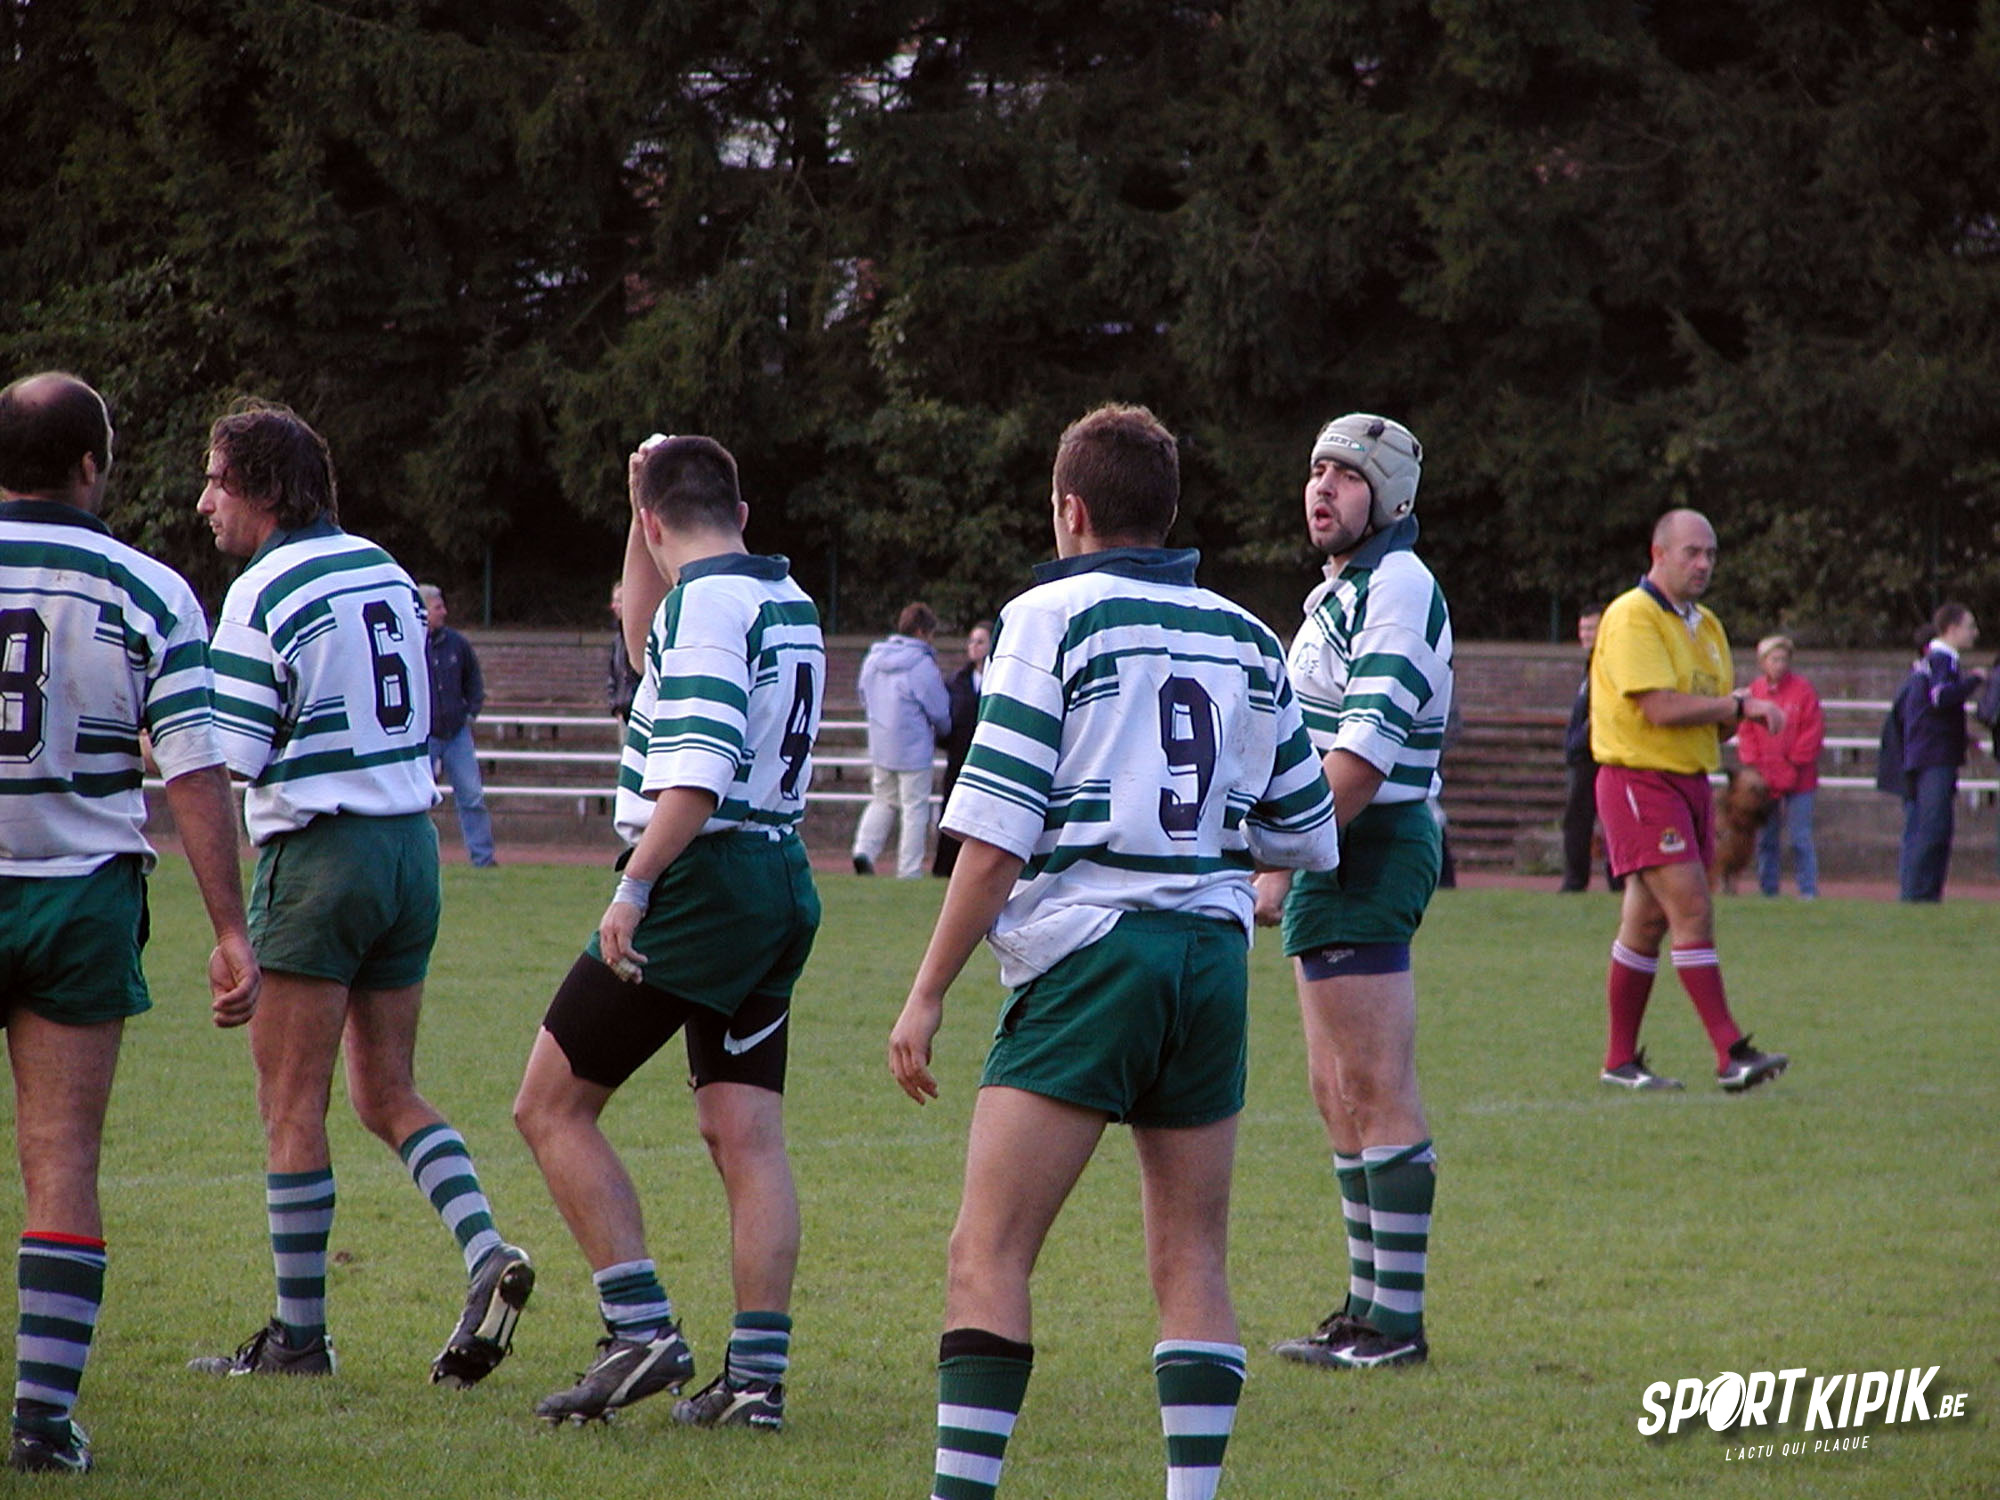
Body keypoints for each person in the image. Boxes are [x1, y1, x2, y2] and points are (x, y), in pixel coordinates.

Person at [889, 403, 1337, 1500]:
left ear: (1070, 510)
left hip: (1092, 954)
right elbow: (1305, 828)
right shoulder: (1246, 634)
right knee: (1192, 1258)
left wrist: (927, 992)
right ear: (1167, 512)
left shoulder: (1047, 617)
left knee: (987, 1253)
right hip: (1209, 962)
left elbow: (994, 835)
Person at [189, 400, 534, 1385]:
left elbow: (231, 755)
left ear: (262, 487)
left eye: (216, 479)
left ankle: (298, 1340)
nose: (204, 501)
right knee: (386, 1091)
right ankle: (486, 1251)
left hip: (323, 856)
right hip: (409, 850)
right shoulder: (383, 566)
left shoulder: (261, 591)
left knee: (290, 1104)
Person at [513, 434, 823, 1431]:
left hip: (703, 880)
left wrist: (634, 887)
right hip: (778, 876)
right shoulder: (782, 596)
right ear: (741, 513)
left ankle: (637, 1328)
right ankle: (755, 1382)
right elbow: (650, 643)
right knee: (746, 1133)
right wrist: (637, 513)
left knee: (549, 1106)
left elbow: (700, 767)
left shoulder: (708, 606)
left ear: (653, 521)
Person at [0, 373, 261, 1474]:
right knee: (63, 1157)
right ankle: (41, 1423)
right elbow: (193, 769)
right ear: (90, 465)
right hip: (81, 895)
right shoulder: (151, 590)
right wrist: (231, 928)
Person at [1254, 413, 1451, 1372]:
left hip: (1366, 842)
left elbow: (1363, 759)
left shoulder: (1399, 586)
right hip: (1329, 845)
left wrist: (1271, 858)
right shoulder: (1342, 590)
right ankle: (1366, 1307)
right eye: (1317, 470)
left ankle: (1395, 1325)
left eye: (1347, 474)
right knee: (1335, 1090)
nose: (1323, 487)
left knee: (1374, 1084)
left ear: (1391, 496)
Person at [1588, 509, 1791, 1093]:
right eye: (1691, 552)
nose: (1703, 564)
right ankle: (1730, 1053)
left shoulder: (1708, 626)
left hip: (1691, 781)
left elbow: (1713, 716)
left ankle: (1619, 1062)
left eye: (1710, 554)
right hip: (1640, 779)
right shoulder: (1633, 615)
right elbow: (1658, 707)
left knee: (1647, 921)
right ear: (1659, 553)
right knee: (1693, 908)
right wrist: (1738, 706)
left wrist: (1735, 714)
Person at [851, 602, 951, 878]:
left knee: (882, 799)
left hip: (881, 744)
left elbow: (863, 695)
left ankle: (863, 850)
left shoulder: (874, 658)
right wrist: (945, 730)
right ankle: (908, 869)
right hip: (913, 748)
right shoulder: (921, 665)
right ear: (921, 632)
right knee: (914, 809)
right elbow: (939, 709)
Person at [1897, 603, 1983, 903]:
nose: (1975, 633)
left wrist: (1962, 737)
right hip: (1934, 757)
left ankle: (1922, 894)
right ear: (1952, 629)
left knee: (1929, 826)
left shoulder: (1932, 662)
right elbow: (1941, 697)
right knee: (1934, 827)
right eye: (1970, 627)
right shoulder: (1941, 660)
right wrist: (1974, 680)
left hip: (1929, 753)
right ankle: (1920, 894)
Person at [1734, 634, 1824, 898]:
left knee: (1800, 837)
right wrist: (1759, 767)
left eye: (1784, 659)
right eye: (1774, 659)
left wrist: (1793, 763)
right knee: (1766, 838)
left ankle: (1808, 891)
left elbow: (1812, 730)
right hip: (1764, 782)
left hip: (1800, 778)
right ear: (1763, 662)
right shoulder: (1754, 692)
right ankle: (1768, 890)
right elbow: (1747, 733)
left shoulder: (1804, 691)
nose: (1779, 664)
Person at [419, 584, 496, 868]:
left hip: (456, 733)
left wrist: (471, 712)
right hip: (424, 735)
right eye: (438, 607)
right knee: (418, 801)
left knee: (472, 796)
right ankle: (420, 857)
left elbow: (473, 680)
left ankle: (483, 858)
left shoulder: (457, 644)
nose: (444, 612)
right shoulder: (410, 642)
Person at [1559, 610, 1623, 893]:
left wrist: (1579, 741)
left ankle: (1585, 881)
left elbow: (1601, 710)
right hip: (1584, 752)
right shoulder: (1591, 665)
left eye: (1592, 629)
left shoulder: (1608, 664)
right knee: (1579, 819)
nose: (1586, 635)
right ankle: (1580, 879)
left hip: (1595, 753)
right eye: (1583, 629)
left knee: (1597, 819)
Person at [930, 619, 991, 877]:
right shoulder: (957, 681)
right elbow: (947, 718)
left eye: (981, 641)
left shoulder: (1001, 679)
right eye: (971, 641)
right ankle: (944, 870)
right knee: (953, 813)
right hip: (959, 759)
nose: (974, 646)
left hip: (988, 760)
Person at [605, 581, 641, 723]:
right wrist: (615, 705)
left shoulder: (640, 637)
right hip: (623, 712)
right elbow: (613, 675)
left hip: (638, 713)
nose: (613, 606)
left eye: (618, 601)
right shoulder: (618, 640)